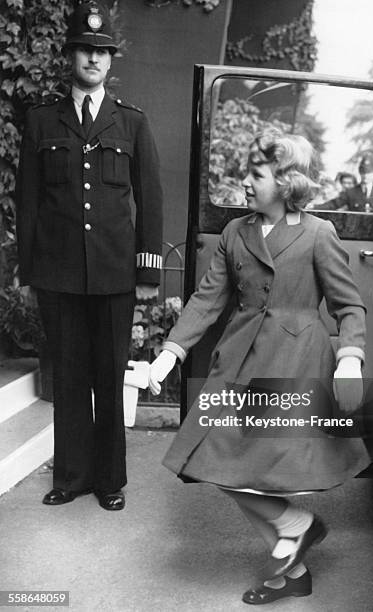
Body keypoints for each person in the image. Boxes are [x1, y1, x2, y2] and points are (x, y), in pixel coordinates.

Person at [147, 128, 369, 603]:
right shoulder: (235, 232)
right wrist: (173, 349)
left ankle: (290, 556)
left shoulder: (317, 233)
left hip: (295, 363)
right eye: (246, 172)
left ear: (287, 182)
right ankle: (296, 546)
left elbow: (349, 307)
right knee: (212, 459)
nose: (245, 182)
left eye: (256, 173)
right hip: (239, 359)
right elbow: (208, 299)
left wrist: (349, 359)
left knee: (251, 467)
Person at [15, 1, 163, 510]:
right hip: (58, 273)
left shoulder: (132, 125)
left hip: (114, 274)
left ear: (110, 62)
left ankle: (109, 481)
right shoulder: (41, 121)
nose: (94, 60)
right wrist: (27, 269)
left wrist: (148, 270)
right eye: (85, 50)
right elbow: (28, 199)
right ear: (70, 56)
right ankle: (71, 476)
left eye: (103, 53)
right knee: (70, 376)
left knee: (108, 373)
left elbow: (151, 198)